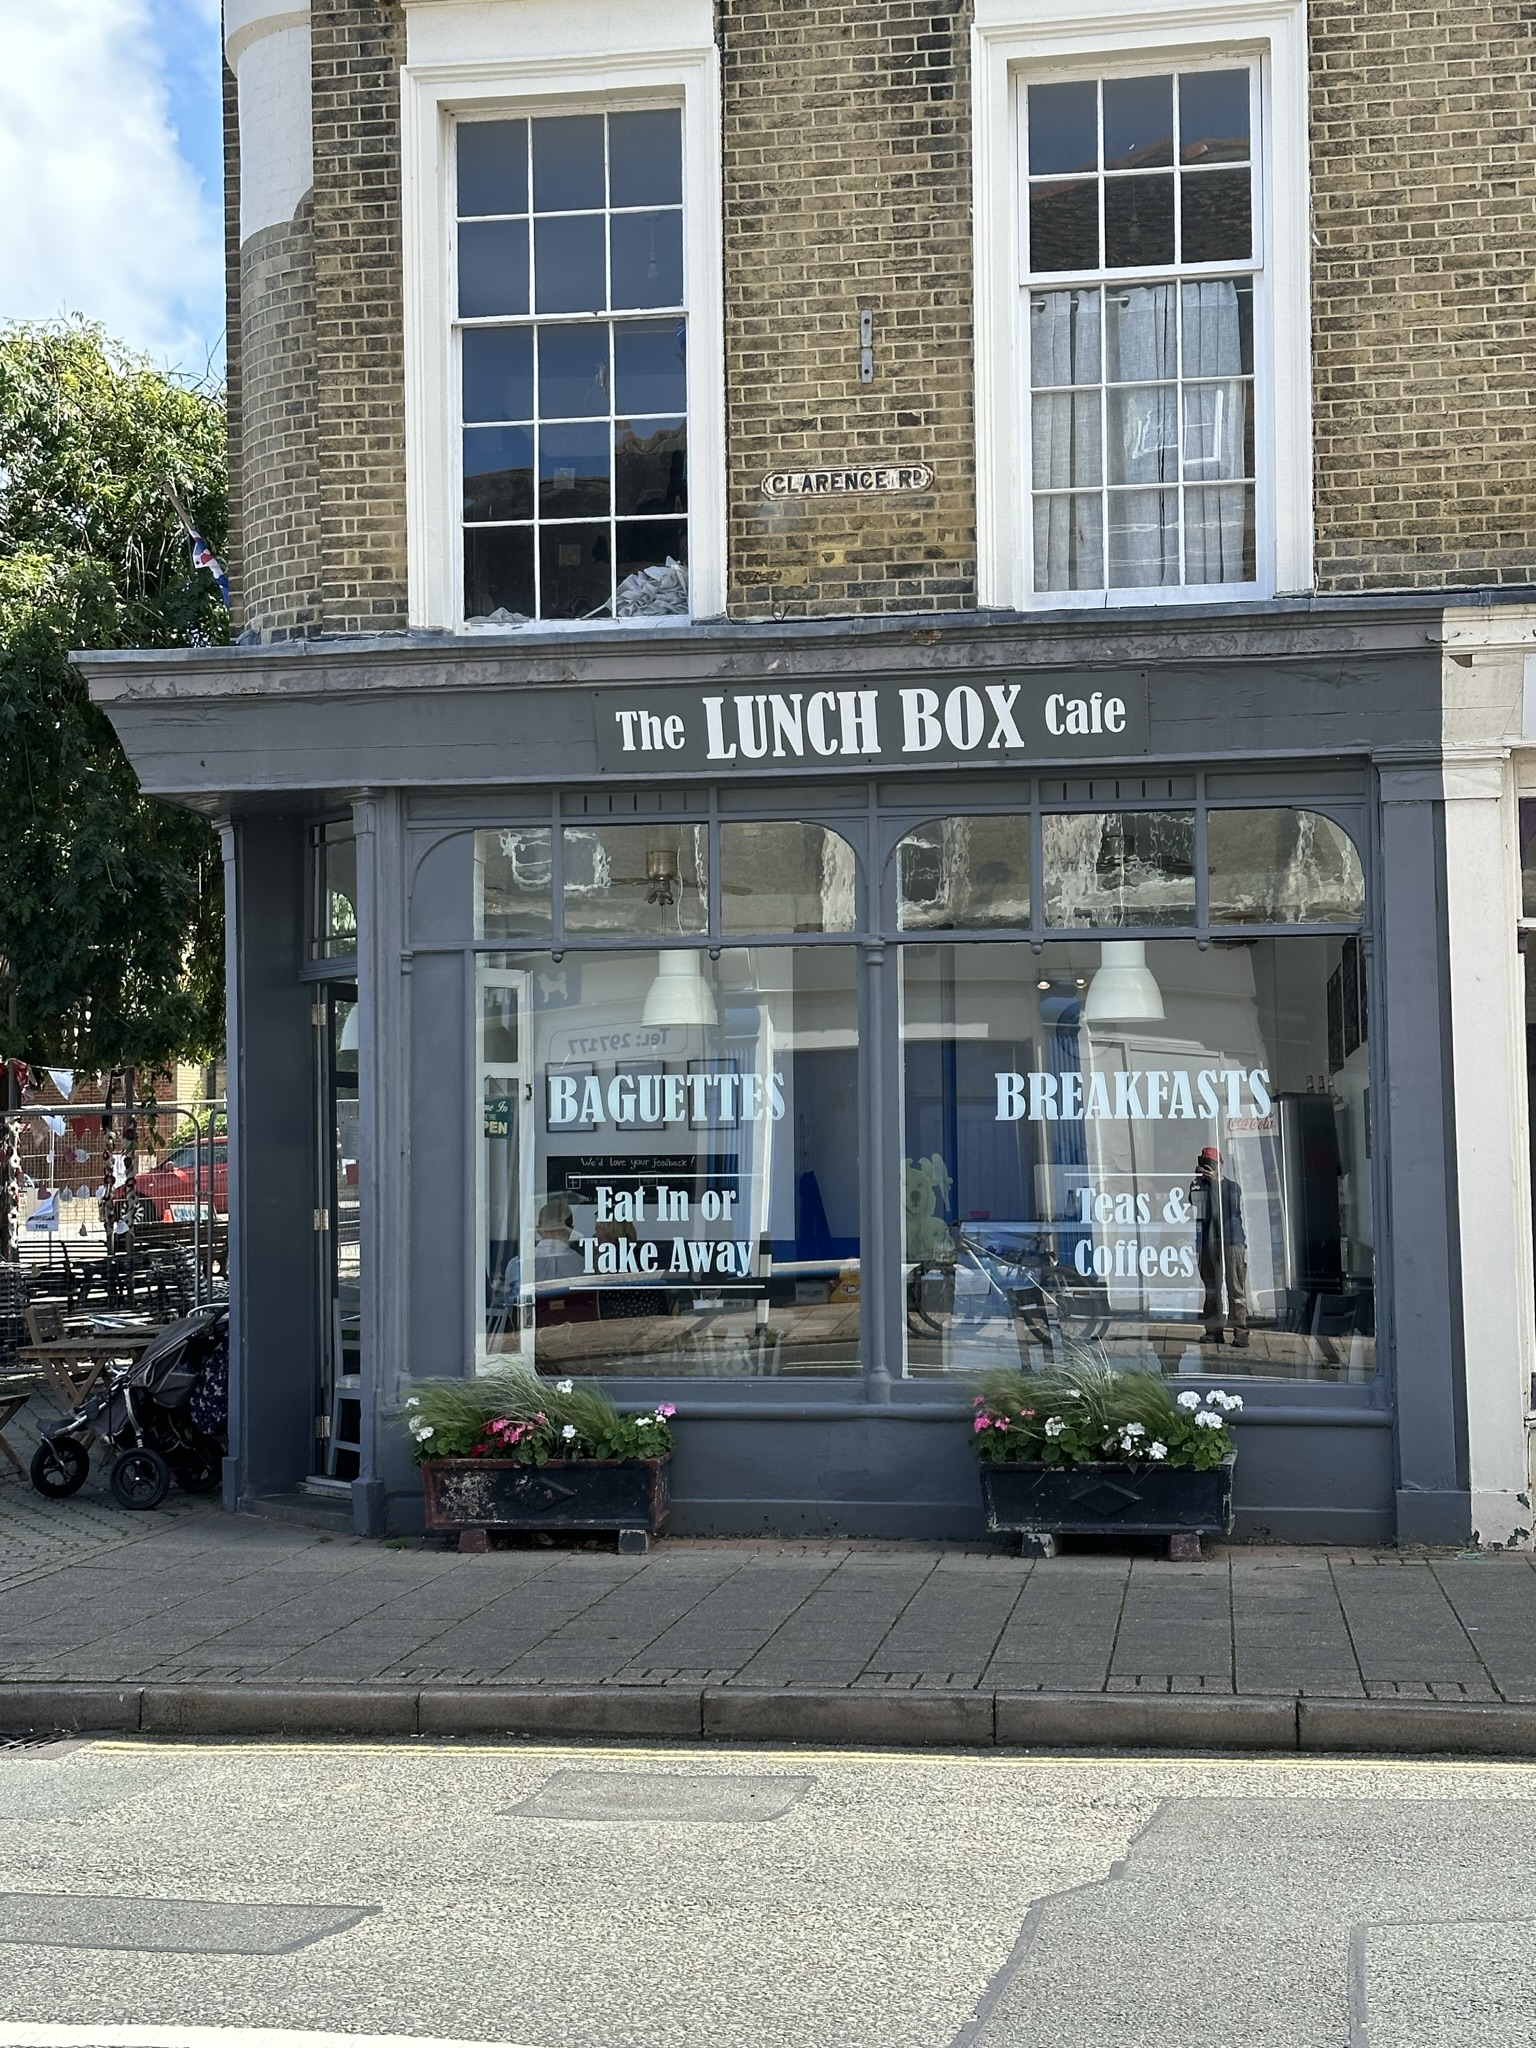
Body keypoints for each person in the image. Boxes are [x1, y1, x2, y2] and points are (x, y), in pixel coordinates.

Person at [1189, 1145, 1248, 1348]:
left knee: (1236, 1289)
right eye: (1205, 1163)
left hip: (1232, 1240)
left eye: (1212, 1163)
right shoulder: (1200, 1185)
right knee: (1212, 1289)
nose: (1209, 1167)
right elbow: (1194, 1201)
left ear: (1221, 1165)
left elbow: (1230, 1208)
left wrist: (1215, 1183)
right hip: (1209, 1241)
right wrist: (1198, 1182)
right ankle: (1213, 1331)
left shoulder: (1231, 1187)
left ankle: (1240, 1332)